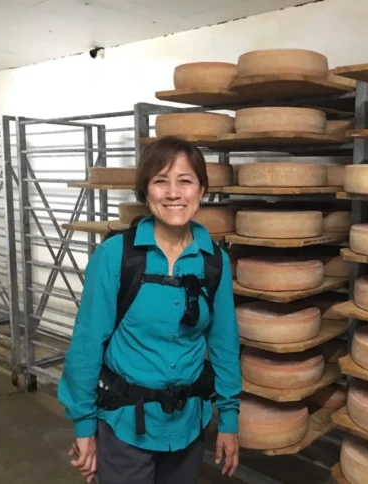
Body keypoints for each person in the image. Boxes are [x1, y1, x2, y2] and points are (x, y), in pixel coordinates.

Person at [57, 136, 242, 484]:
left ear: (202, 190)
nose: (173, 193)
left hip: (189, 425)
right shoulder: (116, 256)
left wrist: (229, 418)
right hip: (126, 426)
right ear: (145, 193)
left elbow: (225, 343)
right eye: (160, 181)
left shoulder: (213, 261)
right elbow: (86, 345)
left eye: (185, 181)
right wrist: (84, 425)